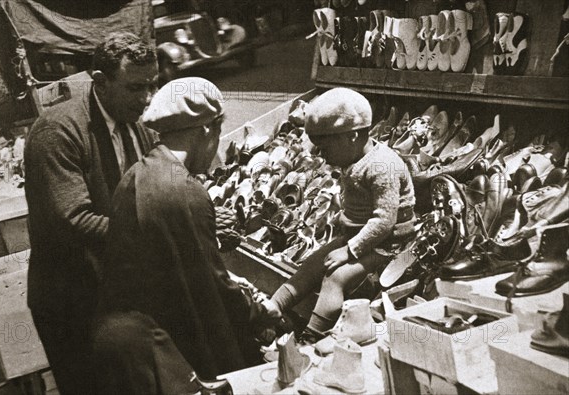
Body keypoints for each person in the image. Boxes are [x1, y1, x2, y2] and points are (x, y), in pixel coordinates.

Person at [93, 77, 267, 394]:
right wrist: (259, 312)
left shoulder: (137, 174)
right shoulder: (185, 191)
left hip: (127, 346)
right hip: (164, 350)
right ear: (206, 130)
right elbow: (211, 290)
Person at [23, 32, 158, 394]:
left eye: (152, 86)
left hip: (115, 293)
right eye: (135, 88)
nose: (146, 99)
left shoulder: (136, 125)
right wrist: (156, 233)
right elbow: (75, 220)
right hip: (71, 303)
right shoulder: (57, 131)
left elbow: (160, 184)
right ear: (100, 83)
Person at [263, 88, 417, 342]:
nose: (321, 155)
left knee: (336, 277)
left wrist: (349, 251)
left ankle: (312, 335)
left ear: (353, 137)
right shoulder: (353, 157)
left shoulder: (382, 166)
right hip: (357, 234)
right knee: (313, 264)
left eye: (325, 148)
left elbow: (384, 221)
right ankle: (273, 307)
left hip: (389, 243)